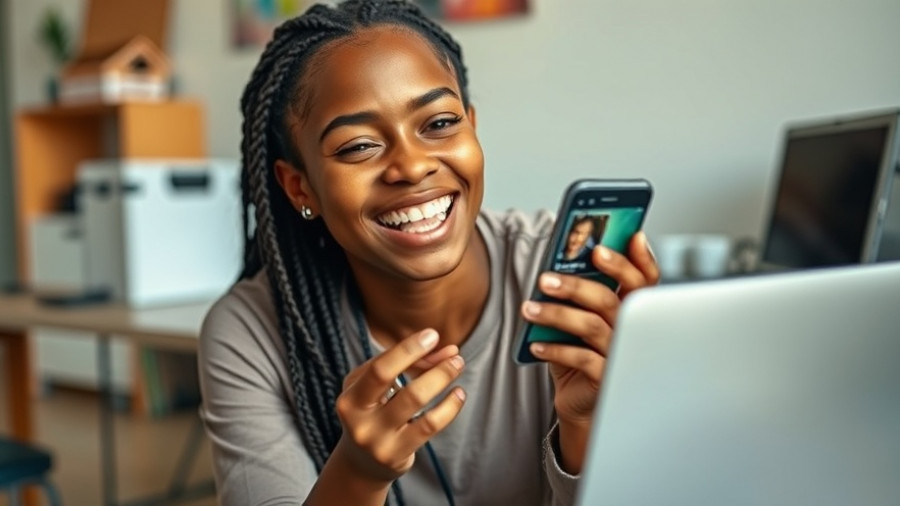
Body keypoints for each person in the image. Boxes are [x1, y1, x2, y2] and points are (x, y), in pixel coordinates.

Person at [198, 1, 659, 505]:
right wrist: (358, 474)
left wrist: (589, 423)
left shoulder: (569, 281)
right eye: (357, 147)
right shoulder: (250, 332)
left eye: (439, 123)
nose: (412, 167)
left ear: (473, 127)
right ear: (299, 187)